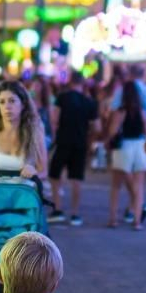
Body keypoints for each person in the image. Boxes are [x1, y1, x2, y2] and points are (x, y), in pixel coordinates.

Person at [44, 71, 95, 226]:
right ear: (82, 83)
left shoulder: (62, 98)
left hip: (63, 140)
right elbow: (96, 125)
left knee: (54, 175)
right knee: (77, 179)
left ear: (70, 81)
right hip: (80, 143)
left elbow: (54, 118)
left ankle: (58, 209)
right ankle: (75, 214)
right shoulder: (89, 102)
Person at [0, 80, 48, 181]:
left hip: (23, 193)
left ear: (23, 104)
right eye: (2, 102)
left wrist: (34, 172)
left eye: (12, 101)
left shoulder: (34, 130)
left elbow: (43, 171)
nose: (7, 107)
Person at [106, 78, 146, 230]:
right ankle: (137, 221)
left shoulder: (120, 111)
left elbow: (112, 131)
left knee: (116, 186)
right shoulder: (142, 111)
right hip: (140, 146)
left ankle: (113, 219)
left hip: (123, 147)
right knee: (139, 187)